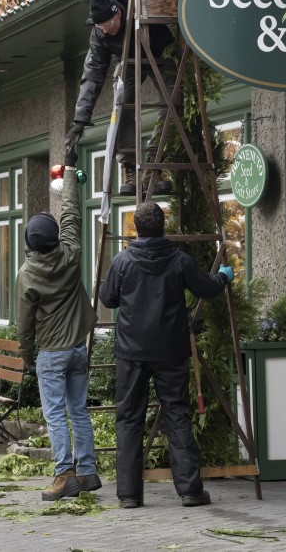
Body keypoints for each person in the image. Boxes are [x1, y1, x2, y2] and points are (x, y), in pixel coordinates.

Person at [98, 202, 235, 508]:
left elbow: (107, 298)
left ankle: (129, 495)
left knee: (129, 419)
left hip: (131, 353)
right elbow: (207, 288)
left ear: (137, 228)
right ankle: (189, 490)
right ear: (163, 226)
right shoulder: (179, 260)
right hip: (171, 351)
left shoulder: (122, 261)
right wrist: (224, 276)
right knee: (176, 415)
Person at [15, 146, 101, 501]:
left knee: (54, 415)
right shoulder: (70, 253)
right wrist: (69, 175)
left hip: (51, 354)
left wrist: (25, 355)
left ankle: (64, 474)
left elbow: (24, 325)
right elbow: (70, 214)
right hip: (77, 349)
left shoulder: (27, 275)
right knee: (78, 410)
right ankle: (89, 471)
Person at [64, 0, 175, 194]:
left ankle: (155, 163)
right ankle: (131, 167)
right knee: (123, 104)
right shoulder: (99, 33)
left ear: (118, 13)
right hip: (128, 60)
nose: (105, 31)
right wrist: (81, 119)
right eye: (100, 28)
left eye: (108, 25)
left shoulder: (138, 5)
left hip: (161, 53)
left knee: (174, 102)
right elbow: (92, 73)